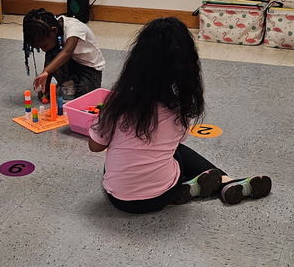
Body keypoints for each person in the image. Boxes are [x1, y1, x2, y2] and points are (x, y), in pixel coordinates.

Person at [88, 17, 271, 213]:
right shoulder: (180, 109)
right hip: (162, 196)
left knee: (136, 155)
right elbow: (172, 144)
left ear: (136, 62)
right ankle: (224, 181)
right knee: (176, 151)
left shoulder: (117, 104)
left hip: (120, 200)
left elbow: (95, 147)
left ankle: (191, 187)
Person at [23, 7, 105, 100]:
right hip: (72, 62)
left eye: (44, 46)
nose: (43, 50)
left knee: (85, 97)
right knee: (52, 52)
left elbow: (67, 52)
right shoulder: (53, 30)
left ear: (54, 30)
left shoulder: (74, 28)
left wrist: (46, 71)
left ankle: (73, 85)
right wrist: (45, 88)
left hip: (89, 69)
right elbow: (52, 60)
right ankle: (68, 83)